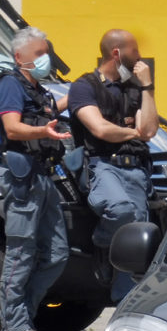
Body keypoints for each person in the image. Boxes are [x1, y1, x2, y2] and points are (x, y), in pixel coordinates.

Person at [0, 26, 71, 331]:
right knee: (21, 253)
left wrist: (77, 94)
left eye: (46, 52)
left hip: (42, 175)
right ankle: (14, 329)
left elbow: (48, 115)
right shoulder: (10, 85)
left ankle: (24, 320)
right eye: (39, 54)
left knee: (56, 254)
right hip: (22, 176)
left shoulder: (38, 89)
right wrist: (45, 132)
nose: (45, 59)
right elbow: (12, 127)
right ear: (19, 57)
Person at [68, 29, 158, 303]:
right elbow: (100, 130)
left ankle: (124, 303)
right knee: (121, 210)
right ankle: (103, 243)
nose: (140, 56)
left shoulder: (134, 89)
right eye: (135, 51)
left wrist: (147, 88)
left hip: (136, 168)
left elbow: (150, 129)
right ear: (116, 54)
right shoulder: (85, 86)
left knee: (136, 243)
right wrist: (133, 133)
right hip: (103, 165)